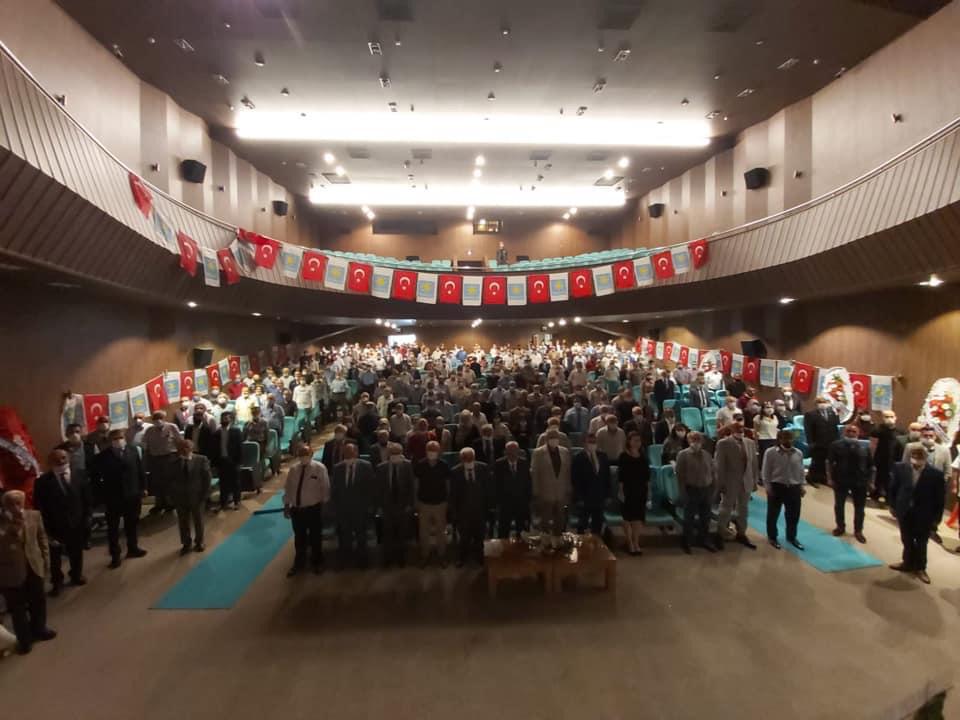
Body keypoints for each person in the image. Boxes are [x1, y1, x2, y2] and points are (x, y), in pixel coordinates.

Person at [0, 490, 55, 655]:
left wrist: (45, 561)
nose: (16, 507)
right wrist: (12, 528)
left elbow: (42, 538)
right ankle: (24, 639)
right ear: (5, 506)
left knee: (38, 601)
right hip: (10, 572)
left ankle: (39, 629)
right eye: (11, 504)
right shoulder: (2, 522)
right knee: (17, 608)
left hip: (34, 565)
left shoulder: (34, 515)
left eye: (18, 503)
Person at [34, 448, 91, 595]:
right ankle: (57, 582)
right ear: (49, 462)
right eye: (56, 459)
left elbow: (86, 498)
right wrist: (45, 528)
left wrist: (87, 517)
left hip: (77, 522)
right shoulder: (42, 482)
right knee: (55, 557)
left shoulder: (79, 474)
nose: (60, 461)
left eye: (63, 458)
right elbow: (39, 506)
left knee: (76, 552)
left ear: (69, 458)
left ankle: (76, 575)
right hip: (55, 524)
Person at [888, 447, 945, 584]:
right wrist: (892, 505)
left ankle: (920, 568)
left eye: (920, 457)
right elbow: (893, 488)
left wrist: (937, 519)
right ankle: (907, 563)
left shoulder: (936, 474)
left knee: (921, 542)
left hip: (924, 513)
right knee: (906, 539)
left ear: (925, 458)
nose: (916, 459)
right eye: (914, 456)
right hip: (904, 510)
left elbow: (940, 498)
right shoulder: (900, 468)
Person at [91, 430, 147, 568]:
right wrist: (100, 496)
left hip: (132, 494)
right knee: (113, 528)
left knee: (132, 523)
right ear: (110, 441)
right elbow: (95, 479)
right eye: (115, 439)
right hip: (113, 496)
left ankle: (133, 548)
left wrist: (143, 487)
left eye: (121, 438)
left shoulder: (132, 450)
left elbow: (140, 470)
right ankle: (115, 555)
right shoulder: (102, 457)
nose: (119, 441)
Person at [283, 444, 329, 576]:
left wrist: (324, 506)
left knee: (315, 537)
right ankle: (299, 564)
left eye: (305, 454)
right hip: (297, 510)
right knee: (299, 538)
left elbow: (325, 488)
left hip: (313, 509)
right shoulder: (294, 469)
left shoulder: (319, 468)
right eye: (301, 455)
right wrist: (286, 505)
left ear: (311, 455)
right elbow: (288, 488)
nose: (303, 457)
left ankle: (317, 563)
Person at [713, 423, 759, 549]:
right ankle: (720, 534)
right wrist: (720, 483)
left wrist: (754, 481)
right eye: (738, 429)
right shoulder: (723, 443)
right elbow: (719, 466)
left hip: (746, 481)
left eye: (742, 429)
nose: (740, 431)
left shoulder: (750, 443)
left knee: (743, 509)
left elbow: (754, 464)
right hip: (730, 481)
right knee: (725, 509)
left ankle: (741, 533)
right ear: (732, 430)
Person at [827, 424, 874, 543]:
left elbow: (871, 466)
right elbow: (829, 462)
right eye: (849, 431)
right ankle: (840, 527)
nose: (851, 433)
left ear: (858, 433)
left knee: (860, 508)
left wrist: (871, 482)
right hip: (841, 479)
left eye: (854, 431)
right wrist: (830, 478)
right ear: (844, 432)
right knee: (839, 505)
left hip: (860, 481)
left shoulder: (865, 447)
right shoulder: (836, 445)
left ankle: (858, 531)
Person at [330, 443, 374, 569]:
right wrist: (335, 507)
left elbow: (371, 488)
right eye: (346, 453)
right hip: (343, 509)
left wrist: (369, 506)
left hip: (360, 508)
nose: (348, 455)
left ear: (356, 452)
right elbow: (334, 489)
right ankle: (346, 559)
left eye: (351, 452)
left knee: (361, 536)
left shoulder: (366, 466)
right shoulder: (337, 468)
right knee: (345, 536)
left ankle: (362, 561)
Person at [762, 429, 806, 550]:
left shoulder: (798, 453)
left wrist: (802, 485)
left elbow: (801, 471)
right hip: (777, 486)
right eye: (785, 438)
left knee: (793, 515)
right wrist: (768, 487)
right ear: (779, 439)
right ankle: (772, 537)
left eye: (791, 438)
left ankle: (791, 537)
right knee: (773, 514)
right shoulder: (770, 452)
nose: (788, 441)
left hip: (794, 487)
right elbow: (766, 471)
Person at [675, 432, 716, 554]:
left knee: (705, 517)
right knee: (689, 518)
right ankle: (687, 541)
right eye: (694, 439)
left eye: (698, 439)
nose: (696, 442)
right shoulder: (683, 455)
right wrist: (683, 492)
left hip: (706, 489)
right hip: (691, 489)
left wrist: (713, 488)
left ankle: (704, 540)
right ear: (689, 441)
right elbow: (680, 476)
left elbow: (712, 472)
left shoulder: (707, 455)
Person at [375, 443, 414, 568]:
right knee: (388, 534)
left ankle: (401, 558)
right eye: (393, 454)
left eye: (398, 453)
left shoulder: (407, 466)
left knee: (402, 534)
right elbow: (378, 489)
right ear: (389, 454)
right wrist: (379, 507)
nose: (395, 456)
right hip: (387, 506)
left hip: (403, 506)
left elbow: (411, 486)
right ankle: (388, 559)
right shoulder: (381, 468)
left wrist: (410, 504)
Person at [449, 447, 490, 567]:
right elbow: (453, 493)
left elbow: (488, 488)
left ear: (474, 457)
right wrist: (454, 512)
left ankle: (479, 557)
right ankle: (462, 558)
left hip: (480, 509)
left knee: (479, 536)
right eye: (466, 459)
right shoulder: (455, 471)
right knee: (464, 537)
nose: (468, 460)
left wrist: (489, 507)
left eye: (470, 458)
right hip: (463, 511)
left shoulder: (483, 468)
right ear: (461, 459)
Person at [170, 439, 212, 555]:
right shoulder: (174, 463)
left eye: (187, 447)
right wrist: (173, 496)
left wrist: (205, 494)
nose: (184, 450)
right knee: (183, 522)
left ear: (192, 448)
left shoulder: (201, 459)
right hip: (180, 497)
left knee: (198, 520)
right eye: (182, 448)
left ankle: (199, 542)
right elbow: (170, 480)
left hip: (197, 496)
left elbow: (207, 478)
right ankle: (186, 543)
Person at [414, 441, 451, 567]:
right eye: (430, 450)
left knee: (441, 531)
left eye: (434, 450)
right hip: (424, 503)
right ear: (426, 451)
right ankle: (424, 555)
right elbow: (416, 483)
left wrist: (447, 500)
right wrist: (416, 501)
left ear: (439, 452)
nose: (432, 453)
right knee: (423, 531)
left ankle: (442, 555)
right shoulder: (420, 465)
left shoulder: (444, 465)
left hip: (440, 503)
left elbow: (448, 484)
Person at [530, 428, 572, 535]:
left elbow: (567, 472)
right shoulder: (538, 453)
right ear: (547, 439)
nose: (554, 439)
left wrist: (568, 489)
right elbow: (535, 473)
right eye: (552, 437)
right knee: (545, 522)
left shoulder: (565, 452)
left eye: (556, 437)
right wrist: (536, 492)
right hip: (545, 492)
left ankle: (558, 540)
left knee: (560, 521)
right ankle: (545, 540)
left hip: (561, 492)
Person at [618, 432, 650, 555]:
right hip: (628, 490)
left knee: (638, 517)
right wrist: (621, 491)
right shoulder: (623, 456)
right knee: (627, 517)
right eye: (634, 440)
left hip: (641, 490)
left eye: (639, 440)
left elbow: (647, 477)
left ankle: (636, 542)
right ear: (629, 441)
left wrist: (649, 491)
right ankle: (629, 542)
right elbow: (621, 477)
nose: (637, 443)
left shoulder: (643, 457)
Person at [572, 432, 610, 537]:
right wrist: (578, 497)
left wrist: (607, 495)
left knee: (597, 524)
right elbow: (575, 480)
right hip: (585, 497)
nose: (592, 444)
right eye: (590, 442)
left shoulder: (603, 456)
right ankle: (580, 543)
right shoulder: (578, 458)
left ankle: (596, 543)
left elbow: (607, 477)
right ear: (584, 443)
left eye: (594, 442)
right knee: (582, 524)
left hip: (599, 496)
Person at [143, 410, 181, 514]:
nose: (158, 421)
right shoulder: (149, 430)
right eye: (155, 419)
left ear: (164, 418)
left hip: (169, 457)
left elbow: (179, 442)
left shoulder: (172, 427)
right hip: (155, 458)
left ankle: (170, 503)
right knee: (157, 482)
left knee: (169, 481)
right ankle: (159, 504)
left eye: (160, 418)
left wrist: (179, 457)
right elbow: (145, 445)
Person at [494, 441, 531, 538]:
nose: (512, 453)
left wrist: (528, 499)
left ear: (518, 451)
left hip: (521, 502)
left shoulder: (524, 463)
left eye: (514, 450)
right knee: (503, 529)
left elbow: (528, 482)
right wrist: (498, 501)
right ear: (505, 452)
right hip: (505, 503)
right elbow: (496, 484)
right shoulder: (499, 464)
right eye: (509, 450)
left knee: (522, 530)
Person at [803, 397, 840, 487]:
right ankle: (812, 477)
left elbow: (835, 427)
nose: (822, 404)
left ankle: (823, 477)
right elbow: (808, 430)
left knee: (827, 460)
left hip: (830, 441)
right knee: (817, 461)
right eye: (820, 402)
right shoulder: (810, 414)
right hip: (817, 442)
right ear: (816, 404)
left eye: (824, 402)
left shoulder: (832, 413)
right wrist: (810, 442)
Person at [213, 412, 244, 511]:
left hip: (233, 461)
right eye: (223, 418)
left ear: (230, 419)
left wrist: (239, 462)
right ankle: (223, 503)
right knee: (223, 483)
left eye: (226, 418)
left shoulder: (236, 431)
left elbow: (240, 447)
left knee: (235, 482)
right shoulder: (217, 432)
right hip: (222, 461)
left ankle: (237, 502)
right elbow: (214, 449)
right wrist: (215, 463)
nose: (224, 420)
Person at [870, 410, 902, 502]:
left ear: (895, 418)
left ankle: (889, 498)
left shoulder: (900, 432)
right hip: (880, 459)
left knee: (891, 480)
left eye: (891, 417)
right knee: (879, 479)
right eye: (886, 417)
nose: (889, 419)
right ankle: (876, 495)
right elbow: (872, 445)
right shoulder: (877, 430)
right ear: (883, 418)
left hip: (894, 460)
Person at [754, 402, 779, 468]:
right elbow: (756, 431)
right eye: (767, 407)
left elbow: (775, 428)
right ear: (763, 409)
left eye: (771, 407)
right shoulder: (758, 418)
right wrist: (756, 443)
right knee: (764, 458)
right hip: (763, 440)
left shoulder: (775, 417)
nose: (770, 409)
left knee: (774, 458)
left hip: (774, 439)